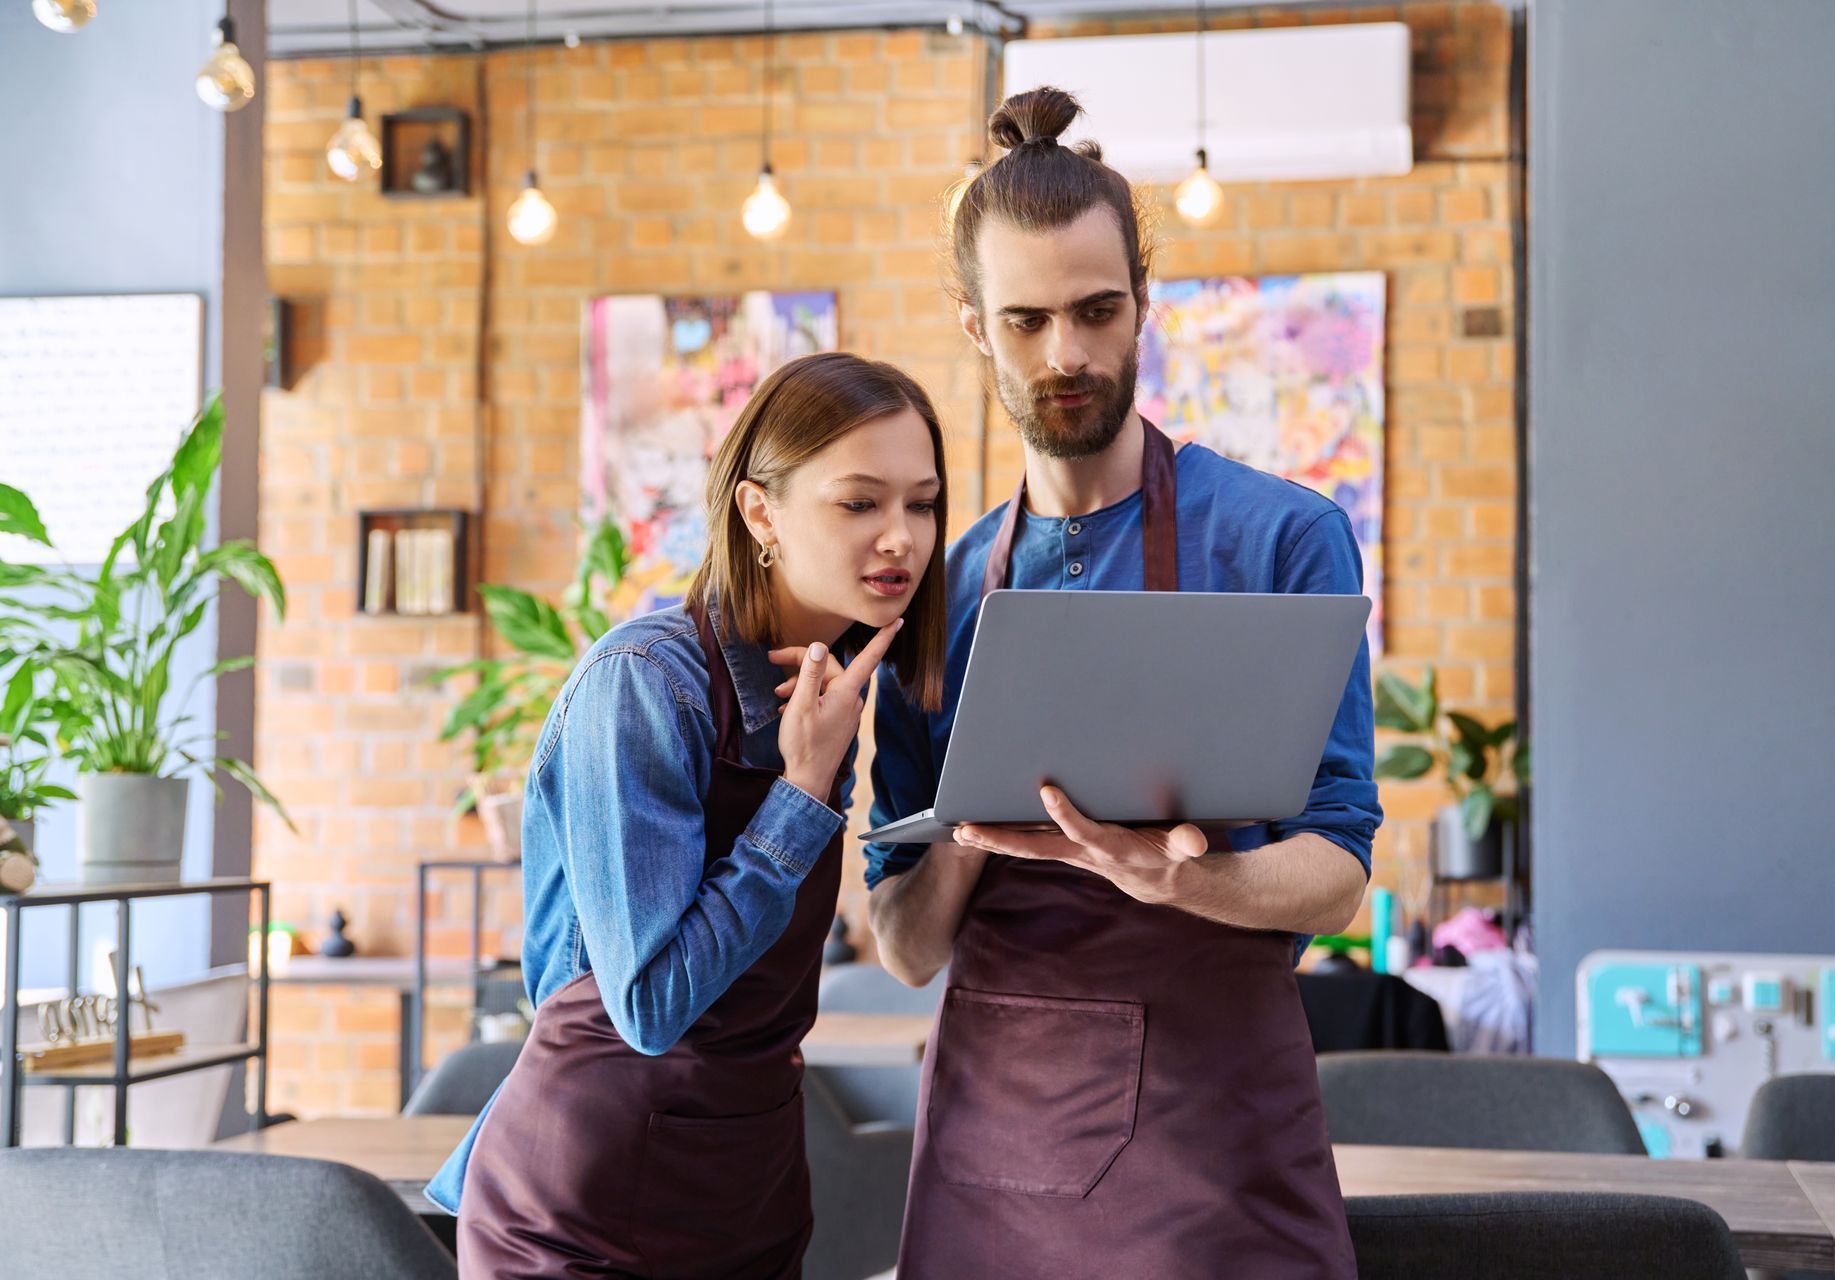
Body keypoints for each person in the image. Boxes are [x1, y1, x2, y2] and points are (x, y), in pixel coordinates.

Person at [865, 88, 1382, 1278]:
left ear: (1144, 299)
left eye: (1099, 310)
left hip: (1214, 1148)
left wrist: (1176, 876)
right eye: (1028, 319)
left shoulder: (1281, 540)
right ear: (974, 325)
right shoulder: (940, 591)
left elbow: (1336, 876)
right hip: (997, 1144)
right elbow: (903, 945)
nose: (1069, 353)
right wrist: (976, 817)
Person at [424, 351, 950, 1279]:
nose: (902, 537)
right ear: (759, 513)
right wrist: (799, 796)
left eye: (923, 502)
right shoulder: (644, 683)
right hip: (580, 1212)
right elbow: (649, 1007)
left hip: (747, 1194)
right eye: (860, 502)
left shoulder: (833, 682)